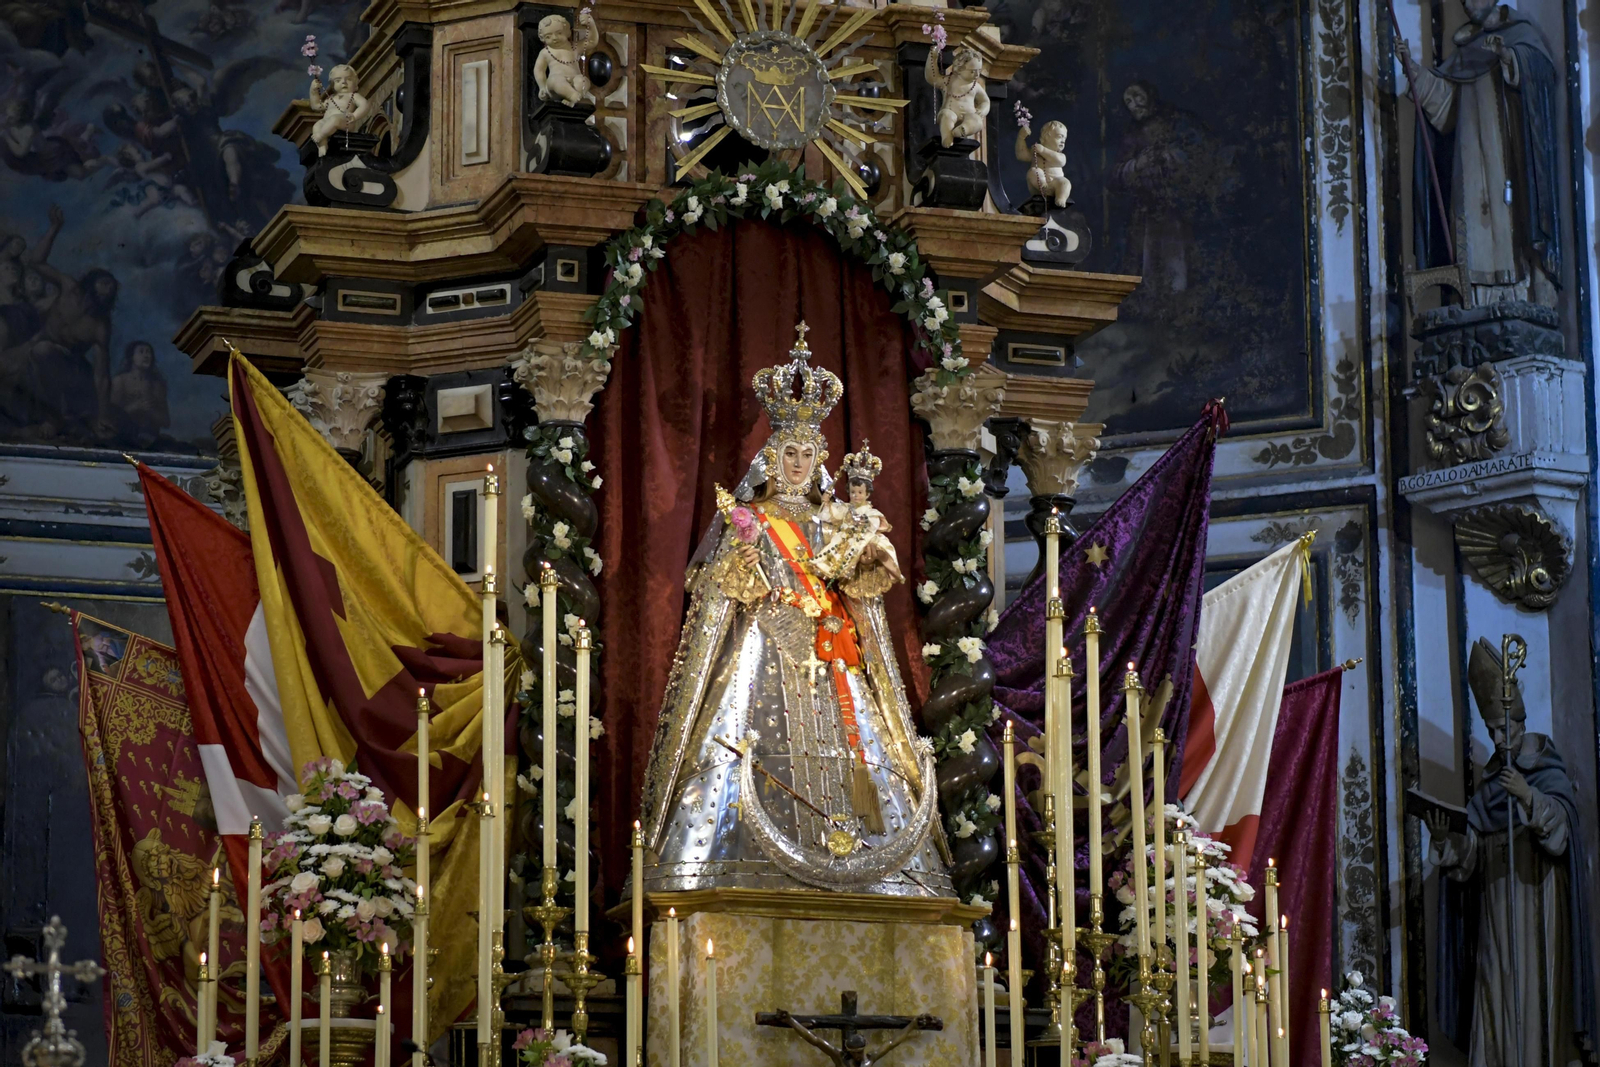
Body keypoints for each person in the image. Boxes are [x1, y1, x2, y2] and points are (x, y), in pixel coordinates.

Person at [635, 323, 948, 896]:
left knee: (854, 746)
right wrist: (748, 565)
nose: (799, 464)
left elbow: (866, 581)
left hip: (832, 652)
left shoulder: (832, 519)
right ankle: (733, 870)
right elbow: (715, 588)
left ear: (819, 457)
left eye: (808, 453)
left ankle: (871, 867)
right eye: (790, 453)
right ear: (772, 457)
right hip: (766, 649)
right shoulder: (746, 522)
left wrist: (863, 536)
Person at [1430, 638, 1596, 1067]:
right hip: (1497, 910)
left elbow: (1561, 832)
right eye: (1492, 732)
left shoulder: (1545, 768)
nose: (1500, 738)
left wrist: (1528, 798)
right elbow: (1475, 858)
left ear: (1520, 721)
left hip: (1538, 908)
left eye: (1505, 729)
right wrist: (1448, 844)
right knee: (1495, 988)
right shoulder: (1489, 787)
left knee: (1535, 994)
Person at [1397, 0, 1560, 306]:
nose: (1467, 4)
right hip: (1469, 164)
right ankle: (1476, 301)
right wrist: (1416, 74)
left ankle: (1521, 299)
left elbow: (1539, 80)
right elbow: (1448, 110)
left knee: (1508, 224)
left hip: (1506, 162)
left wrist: (1508, 58)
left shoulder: (1521, 35)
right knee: (1470, 231)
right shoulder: (1465, 51)